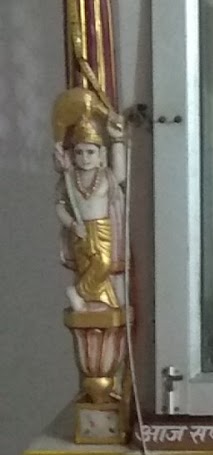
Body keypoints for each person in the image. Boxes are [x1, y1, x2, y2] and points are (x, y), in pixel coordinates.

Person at [54, 109, 126, 312]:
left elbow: (121, 175)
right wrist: (72, 224)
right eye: (79, 152)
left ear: (101, 155)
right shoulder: (69, 179)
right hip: (80, 230)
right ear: (72, 155)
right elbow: (59, 206)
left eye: (90, 152)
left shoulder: (105, 176)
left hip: (102, 228)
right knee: (85, 267)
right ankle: (92, 302)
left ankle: (77, 292)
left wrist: (117, 140)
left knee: (103, 264)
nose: (85, 158)